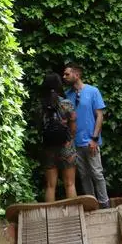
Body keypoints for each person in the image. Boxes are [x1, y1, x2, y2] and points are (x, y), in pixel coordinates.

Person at [63, 63, 110, 209]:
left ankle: (104, 205)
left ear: (77, 75)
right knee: (83, 176)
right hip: (75, 144)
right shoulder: (67, 95)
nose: (64, 77)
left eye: (67, 74)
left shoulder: (92, 91)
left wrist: (95, 138)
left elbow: (100, 116)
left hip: (91, 141)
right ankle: (91, 205)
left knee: (97, 173)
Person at [39, 72, 77, 202]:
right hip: (66, 146)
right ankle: (73, 215)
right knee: (70, 184)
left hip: (48, 147)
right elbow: (73, 125)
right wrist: (70, 139)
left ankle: (50, 218)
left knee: (50, 186)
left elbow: (39, 127)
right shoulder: (66, 103)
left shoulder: (40, 106)